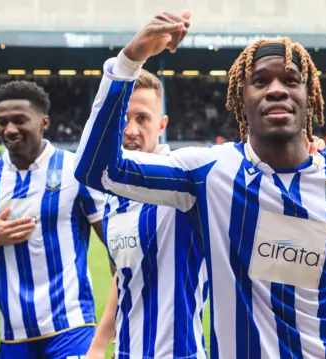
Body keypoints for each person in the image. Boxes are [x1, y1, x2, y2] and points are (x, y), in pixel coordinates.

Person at [74, 10, 326, 358]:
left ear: (310, 94)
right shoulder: (209, 173)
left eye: (290, 79)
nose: (275, 90)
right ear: (241, 98)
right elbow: (97, 170)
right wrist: (129, 61)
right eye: (259, 81)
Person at [0, 81, 107, 359]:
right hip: (12, 338)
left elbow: (117, 247)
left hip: (72, 328)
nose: (9, 129)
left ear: (44, 122)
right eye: (3, 122)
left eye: (20, 120)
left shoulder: (76, 170)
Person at [85, 68, 211, 359]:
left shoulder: (187, 182)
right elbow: (124, 275)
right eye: (122, 120)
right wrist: (98, 344)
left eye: (142, 119)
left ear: (161, 125)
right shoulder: (112, 196)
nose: (130, 130)